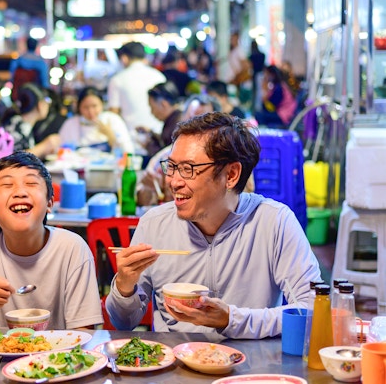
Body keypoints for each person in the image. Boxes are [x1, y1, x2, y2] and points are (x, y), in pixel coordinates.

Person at [105, 112, 321, 339]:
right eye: (171, 166)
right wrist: (123, 286)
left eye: (188, 169)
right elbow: (123, 322)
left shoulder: (273, 221)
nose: (174, 182)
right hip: (174, 366)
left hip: (250, 368)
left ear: (231, 175)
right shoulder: (155, 224)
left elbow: (312, 310)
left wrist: (231, 319)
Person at [0, 151, 103, 329]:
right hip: (0, 354)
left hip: (57, 355)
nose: (20, 192)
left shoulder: (72, 248)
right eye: (7, 184)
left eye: (31, 183)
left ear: (49, 204)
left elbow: (84, 332)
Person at [107, 41, 167, 146]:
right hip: (159, 138)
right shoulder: (159, 76)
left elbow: (113, 115)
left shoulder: (117, 80)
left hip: (132, 141)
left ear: (124, 58)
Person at [58, 86, 134, 154]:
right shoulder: (71, 124)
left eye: (94, 106)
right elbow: (61, 151)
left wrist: (110, 135)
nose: (91, 112)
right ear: (79, 107)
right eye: (86, 107)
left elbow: (128, 151)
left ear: (102, 104)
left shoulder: (112, 119)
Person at [2, 83, 60, 159]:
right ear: (40, 104)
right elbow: (13, 159)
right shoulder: (18, 124)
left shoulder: (20, 123)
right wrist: (45, 146)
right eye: (47, 101)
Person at [144, 82, 182, 158]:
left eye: (152, 107)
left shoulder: (177, 124)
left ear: (164, 104)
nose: (152, 112)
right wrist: (151, 134)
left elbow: (166, 158)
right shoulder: (174, 118)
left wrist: (147, 145)